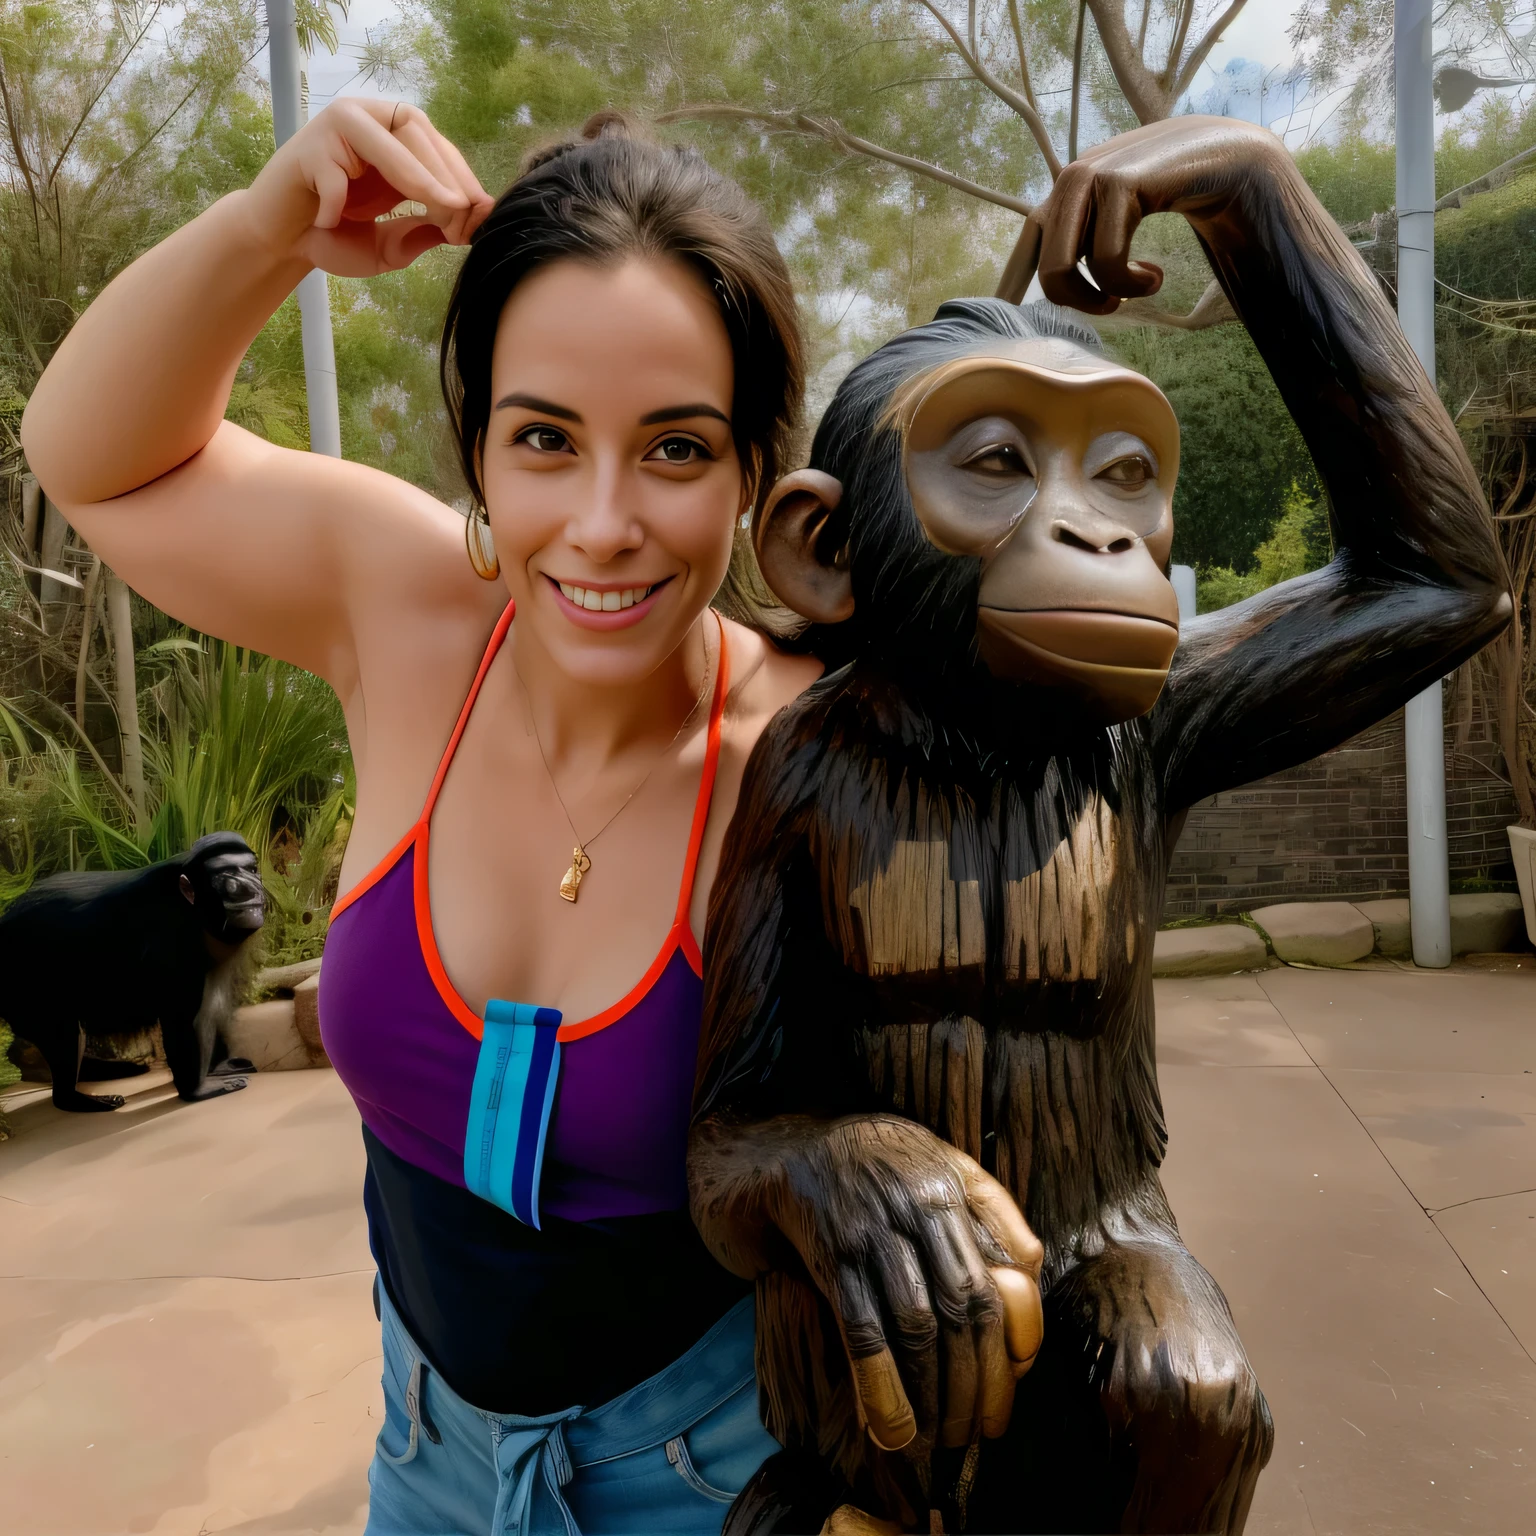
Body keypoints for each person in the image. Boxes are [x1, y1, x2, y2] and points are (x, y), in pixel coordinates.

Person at [21, 100, 823, 1534]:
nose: (600, 522)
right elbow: (90, 456)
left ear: (758, 468)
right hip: (427, 1458)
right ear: (479, 447)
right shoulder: (407, 616)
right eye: (544, 438)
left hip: (719, 1478)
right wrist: (272, 226)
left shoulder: (815, 755)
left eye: (678, 450)